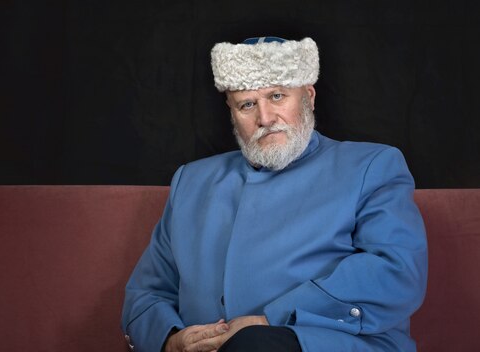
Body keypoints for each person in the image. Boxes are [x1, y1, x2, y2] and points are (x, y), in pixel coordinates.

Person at [121, 36, 428, 352]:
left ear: (308, 97)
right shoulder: (192, 180)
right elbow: (147, 292)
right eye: (248, 104)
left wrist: (268, 321)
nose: (265, 119)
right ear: (232, 111)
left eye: (277, 96)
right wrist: (172, 341)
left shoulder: (370, 166)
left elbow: (395, 272)